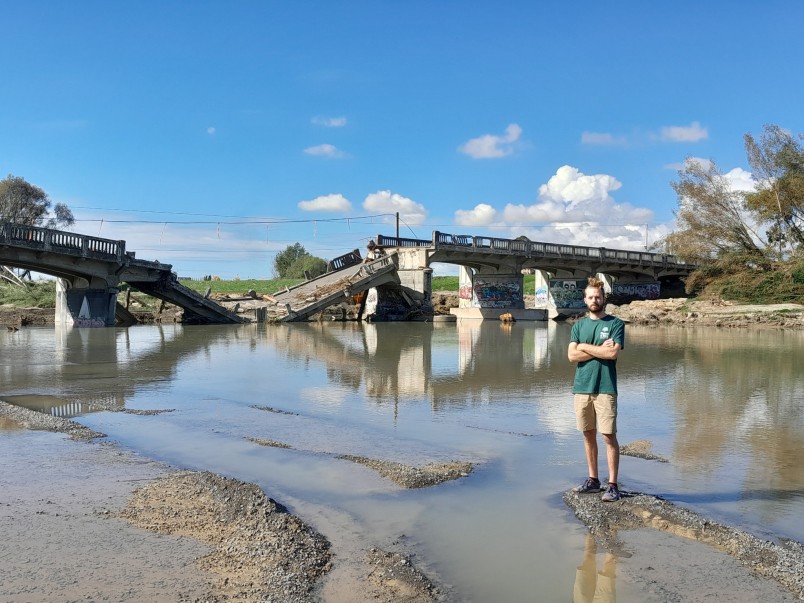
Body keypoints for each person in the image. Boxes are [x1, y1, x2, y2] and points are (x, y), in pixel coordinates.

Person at [567, 276, 625, 502]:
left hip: (606, 387)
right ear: (585, 299)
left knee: (608, 435)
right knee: (588, 434)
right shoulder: (579, 325)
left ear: (604, 298)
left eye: (598, 297)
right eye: (590, 297)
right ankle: (593, 480)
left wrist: (584, 346)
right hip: (581, 387)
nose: (594, 300)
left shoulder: (615, 324)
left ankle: (612, 485)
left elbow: (612, 354)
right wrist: (597, 348)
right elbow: (572, 356)